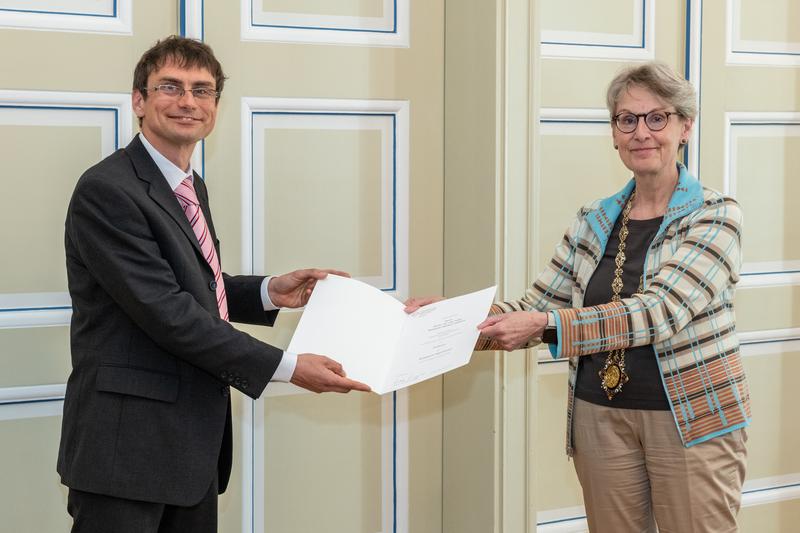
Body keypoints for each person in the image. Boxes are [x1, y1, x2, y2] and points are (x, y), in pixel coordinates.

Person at [406, 62, 750, 532]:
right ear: (613, 133)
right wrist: (448, 320)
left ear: (685, 126)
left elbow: (659, 312)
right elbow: (537, 305)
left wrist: (548, 326)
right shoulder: (594, 218)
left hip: (690, 419)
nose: (641, 132)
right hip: (599, 418)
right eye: (627, 119)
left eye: (657, 117)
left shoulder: (716, 214)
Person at [57, 36, 370, 533]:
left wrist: (268, 291)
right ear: (139, 100)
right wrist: (289, 367)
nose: (188, 102)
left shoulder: (186, 184)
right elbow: (168, 312)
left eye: (202, 91)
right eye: (170, 87)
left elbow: (188, 284)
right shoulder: (108, 189)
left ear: (215, 107)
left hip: (190, 449)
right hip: (127, 451)